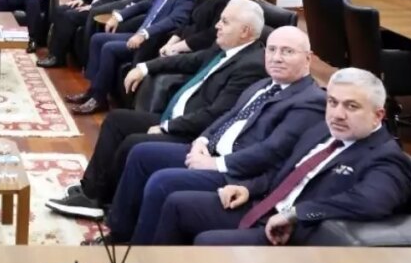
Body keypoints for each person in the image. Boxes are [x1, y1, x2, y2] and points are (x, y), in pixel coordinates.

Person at [96, 26, 325, 244]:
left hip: (236, 173)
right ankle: (120, 230)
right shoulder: (265, 84)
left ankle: (141, 252)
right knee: (142, 153)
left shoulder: (309, 100)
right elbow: (229, 116)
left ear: (308, 58)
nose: (276, 58)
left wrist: (216, 164)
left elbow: (271, 151)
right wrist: (202, 140)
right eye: (272, 50)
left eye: (287, 52)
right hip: (210, 151)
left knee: (162, 182)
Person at [49, 0, 268, 218]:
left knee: (133, 142)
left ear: (245, 31)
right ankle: (93, 191)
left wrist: (167, 127)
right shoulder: (224, 48)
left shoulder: (250, 66)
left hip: (193, 133)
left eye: (225, 22)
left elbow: (216, 115)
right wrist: (145, 67)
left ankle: (105, 201)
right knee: (116, 120)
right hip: (175, 117)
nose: (217, 25)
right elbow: (188, 60)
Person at [152, 68, 411, 246]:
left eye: (351, 106)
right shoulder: (323, 130)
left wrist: (296, 214)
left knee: (208, 243)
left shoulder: (388, 158)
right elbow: (285, 170)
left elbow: (368, 202)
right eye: (333, 102)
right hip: (262, 205)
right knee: (177, 204)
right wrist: (247, 187)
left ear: (378, 115)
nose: (337, 114)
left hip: (290, 233)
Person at [67, 0, 196, 115]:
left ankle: (99, 99)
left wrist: (144, 34)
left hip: (152, 42)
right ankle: (92, 91)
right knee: (97, 39)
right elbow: (142, 5)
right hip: (139, 35)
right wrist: (118, 16)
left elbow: (173, 21)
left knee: (109, 48)